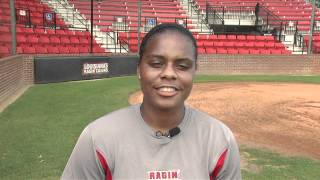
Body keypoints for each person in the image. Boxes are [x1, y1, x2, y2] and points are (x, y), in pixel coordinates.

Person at [61, 23, 241, 180]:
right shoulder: (97, 138)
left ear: (194, 71)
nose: (169, 73)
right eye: (156, 63)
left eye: (183, 66)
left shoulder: (219, 139)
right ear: (139, 69)